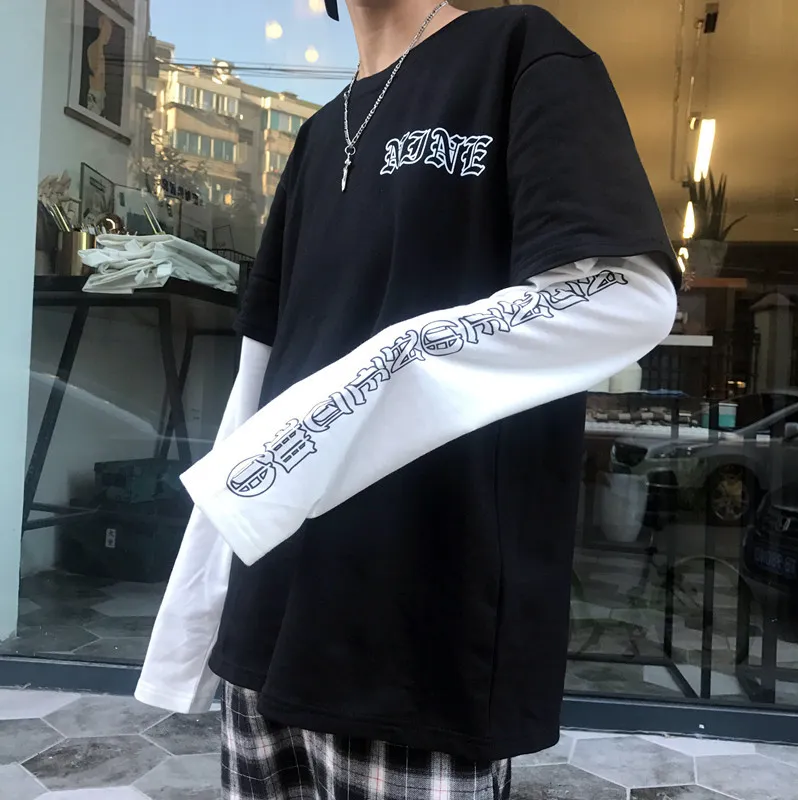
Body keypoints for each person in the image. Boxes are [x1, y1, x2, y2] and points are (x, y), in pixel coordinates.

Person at [136, 1, 681, 798]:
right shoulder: (318, 135)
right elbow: (257, 387)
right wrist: (193, 623)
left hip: (416, 637)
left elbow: (621, 294)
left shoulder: (518, 52)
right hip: (265, 626)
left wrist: (377, 375)